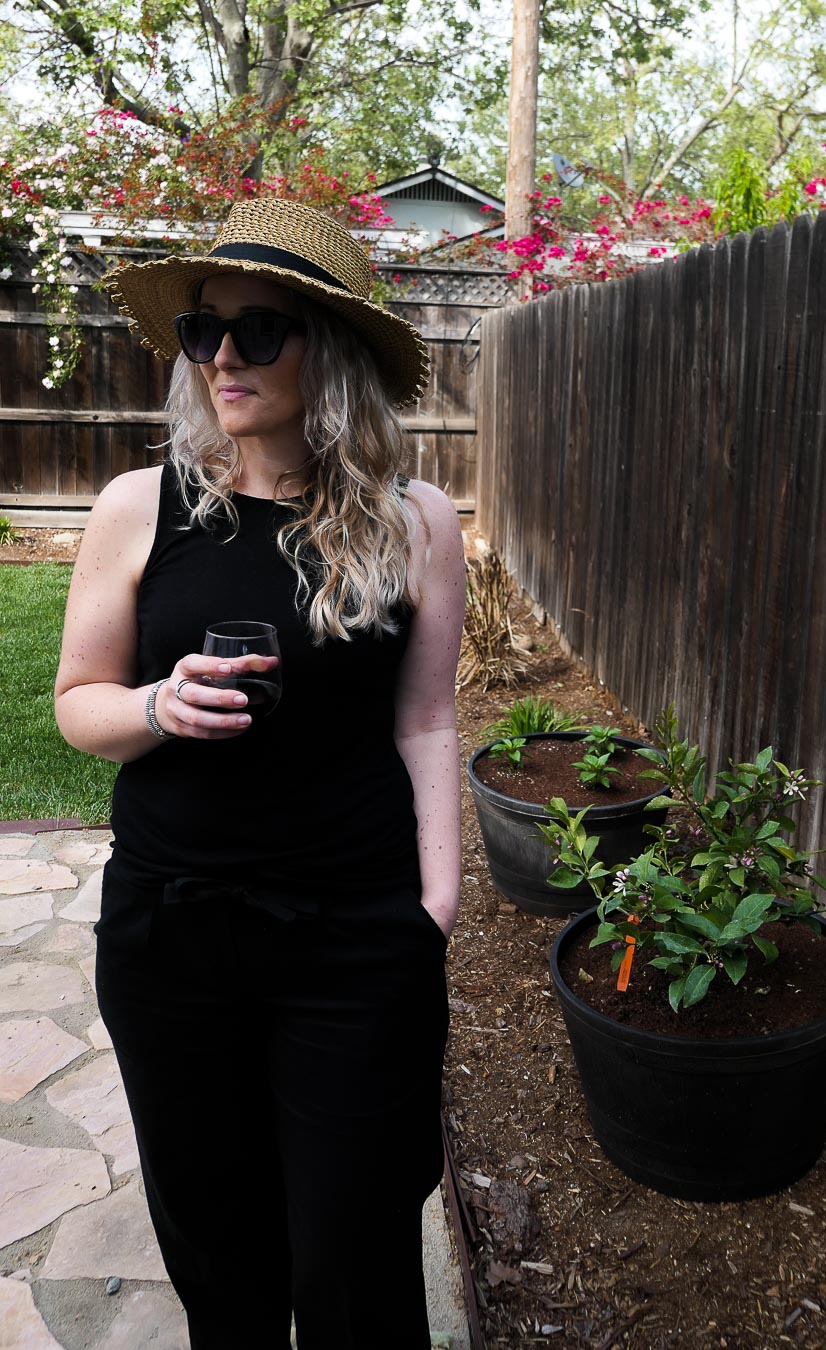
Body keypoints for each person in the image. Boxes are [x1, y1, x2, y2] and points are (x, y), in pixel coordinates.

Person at [54, 199, 466, 1350]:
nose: (222, 357)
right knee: (217, 1245)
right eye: (203, 332)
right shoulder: (139, 509)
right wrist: (155, 704)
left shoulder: (414, 521)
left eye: (258, 332)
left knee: (357, 1247)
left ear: (325, 354)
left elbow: (429, 721)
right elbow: (77, 704)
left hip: (353, 933)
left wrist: (435, 903)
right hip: (172, 934)